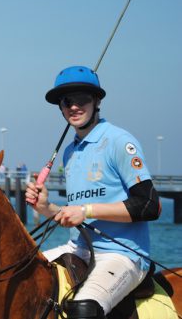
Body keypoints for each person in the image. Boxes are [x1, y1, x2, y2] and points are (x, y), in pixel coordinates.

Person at [25, 65, 161, 318]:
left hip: (122, 254)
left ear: (97, 100)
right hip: (78, 249)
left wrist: (86, 210)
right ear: (61, 107)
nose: (74, 107)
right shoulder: (70, 151)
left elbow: (149, 205)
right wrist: (45, 207)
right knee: (17, 272)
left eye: (82, 99)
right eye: (67, 101)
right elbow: (75, 214)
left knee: (83, 310)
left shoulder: (120, 141)